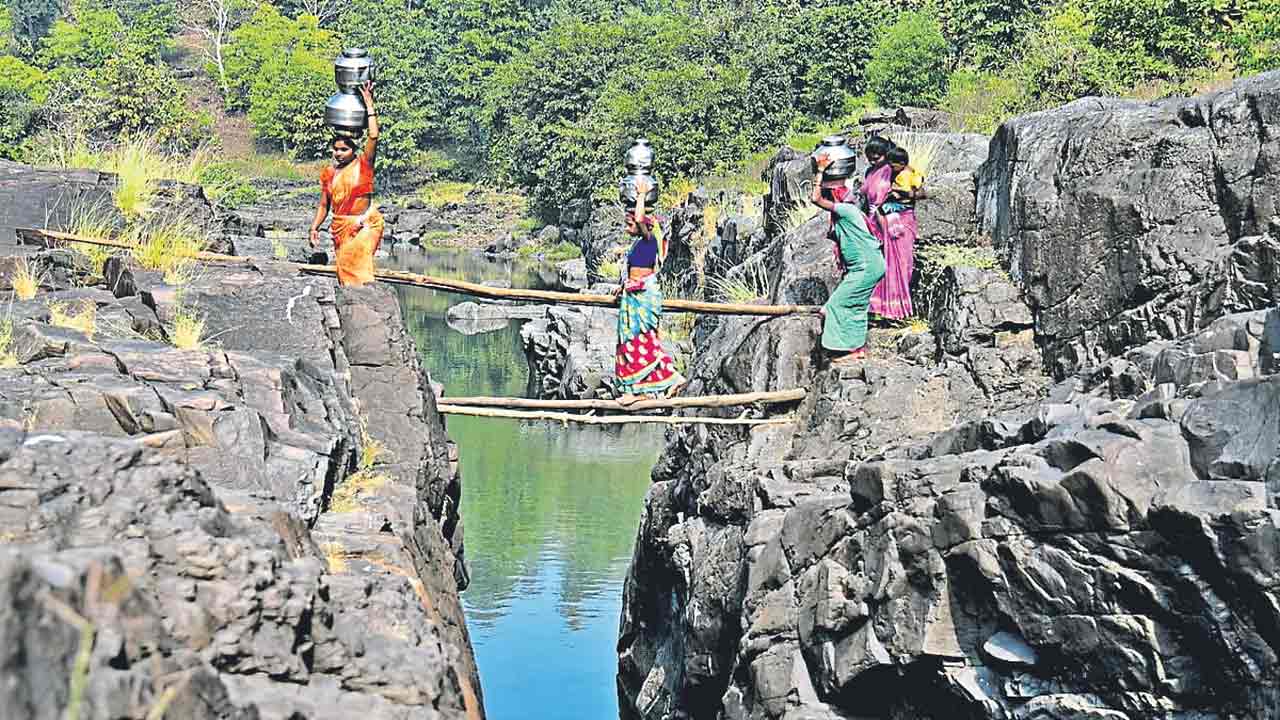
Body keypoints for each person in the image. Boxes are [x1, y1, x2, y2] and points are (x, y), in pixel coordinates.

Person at [613, 176, 687, 405]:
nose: (628, 226)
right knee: (628, 343)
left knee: (644, 342)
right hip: (633, 295)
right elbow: (634, 269)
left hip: (644, 295)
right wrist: (622, 286)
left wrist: (642, 194)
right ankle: (636, 391)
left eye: (630, 224)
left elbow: (640, 217)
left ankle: (672, 379)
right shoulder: (638, 244)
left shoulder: (649, 239)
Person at [813, 154, 885, 362]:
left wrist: (819, 170)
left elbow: (815, 199)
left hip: (865, 267)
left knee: (833, 307)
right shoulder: (850, 212)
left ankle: (847, 348)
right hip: (869, 265)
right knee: (857, 306)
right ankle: (857, 348)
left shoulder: (846, 210)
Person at [310, 81, 383, 287]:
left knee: (355, 264)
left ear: (353, 150)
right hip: (341, 227)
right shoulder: (329, 173)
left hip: (364, 225)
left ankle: (366, 307)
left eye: (343, 150)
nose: (338, 153)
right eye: (336, 149)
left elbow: (373, 135)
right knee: (344, 269)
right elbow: (324, 205)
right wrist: (315, 227)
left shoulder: (364, 165)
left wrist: (369, 104)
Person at [870, 145, 926, 319]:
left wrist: (902, 193)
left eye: (878, 158)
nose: (875, 162)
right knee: (884, 265)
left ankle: (898, 309)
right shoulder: (879, 175)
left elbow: (921, 193)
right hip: (884, 222)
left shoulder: (908, 174)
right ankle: (880, 309)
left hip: (901, 220)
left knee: (902, 264)